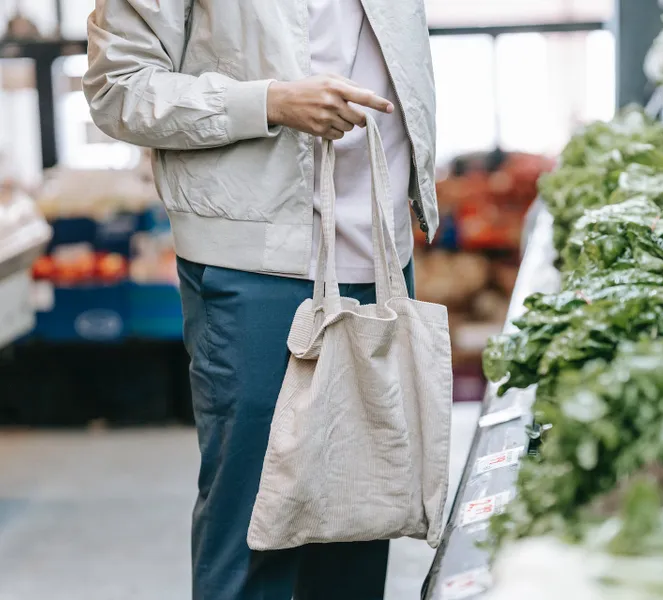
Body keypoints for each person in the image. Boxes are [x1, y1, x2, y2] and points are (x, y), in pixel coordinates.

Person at [83, 1, 438, 599]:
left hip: (378, 252)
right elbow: (117, 88)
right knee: (254, 537)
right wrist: (268, 102)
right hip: (255, 260)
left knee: (358, 530)